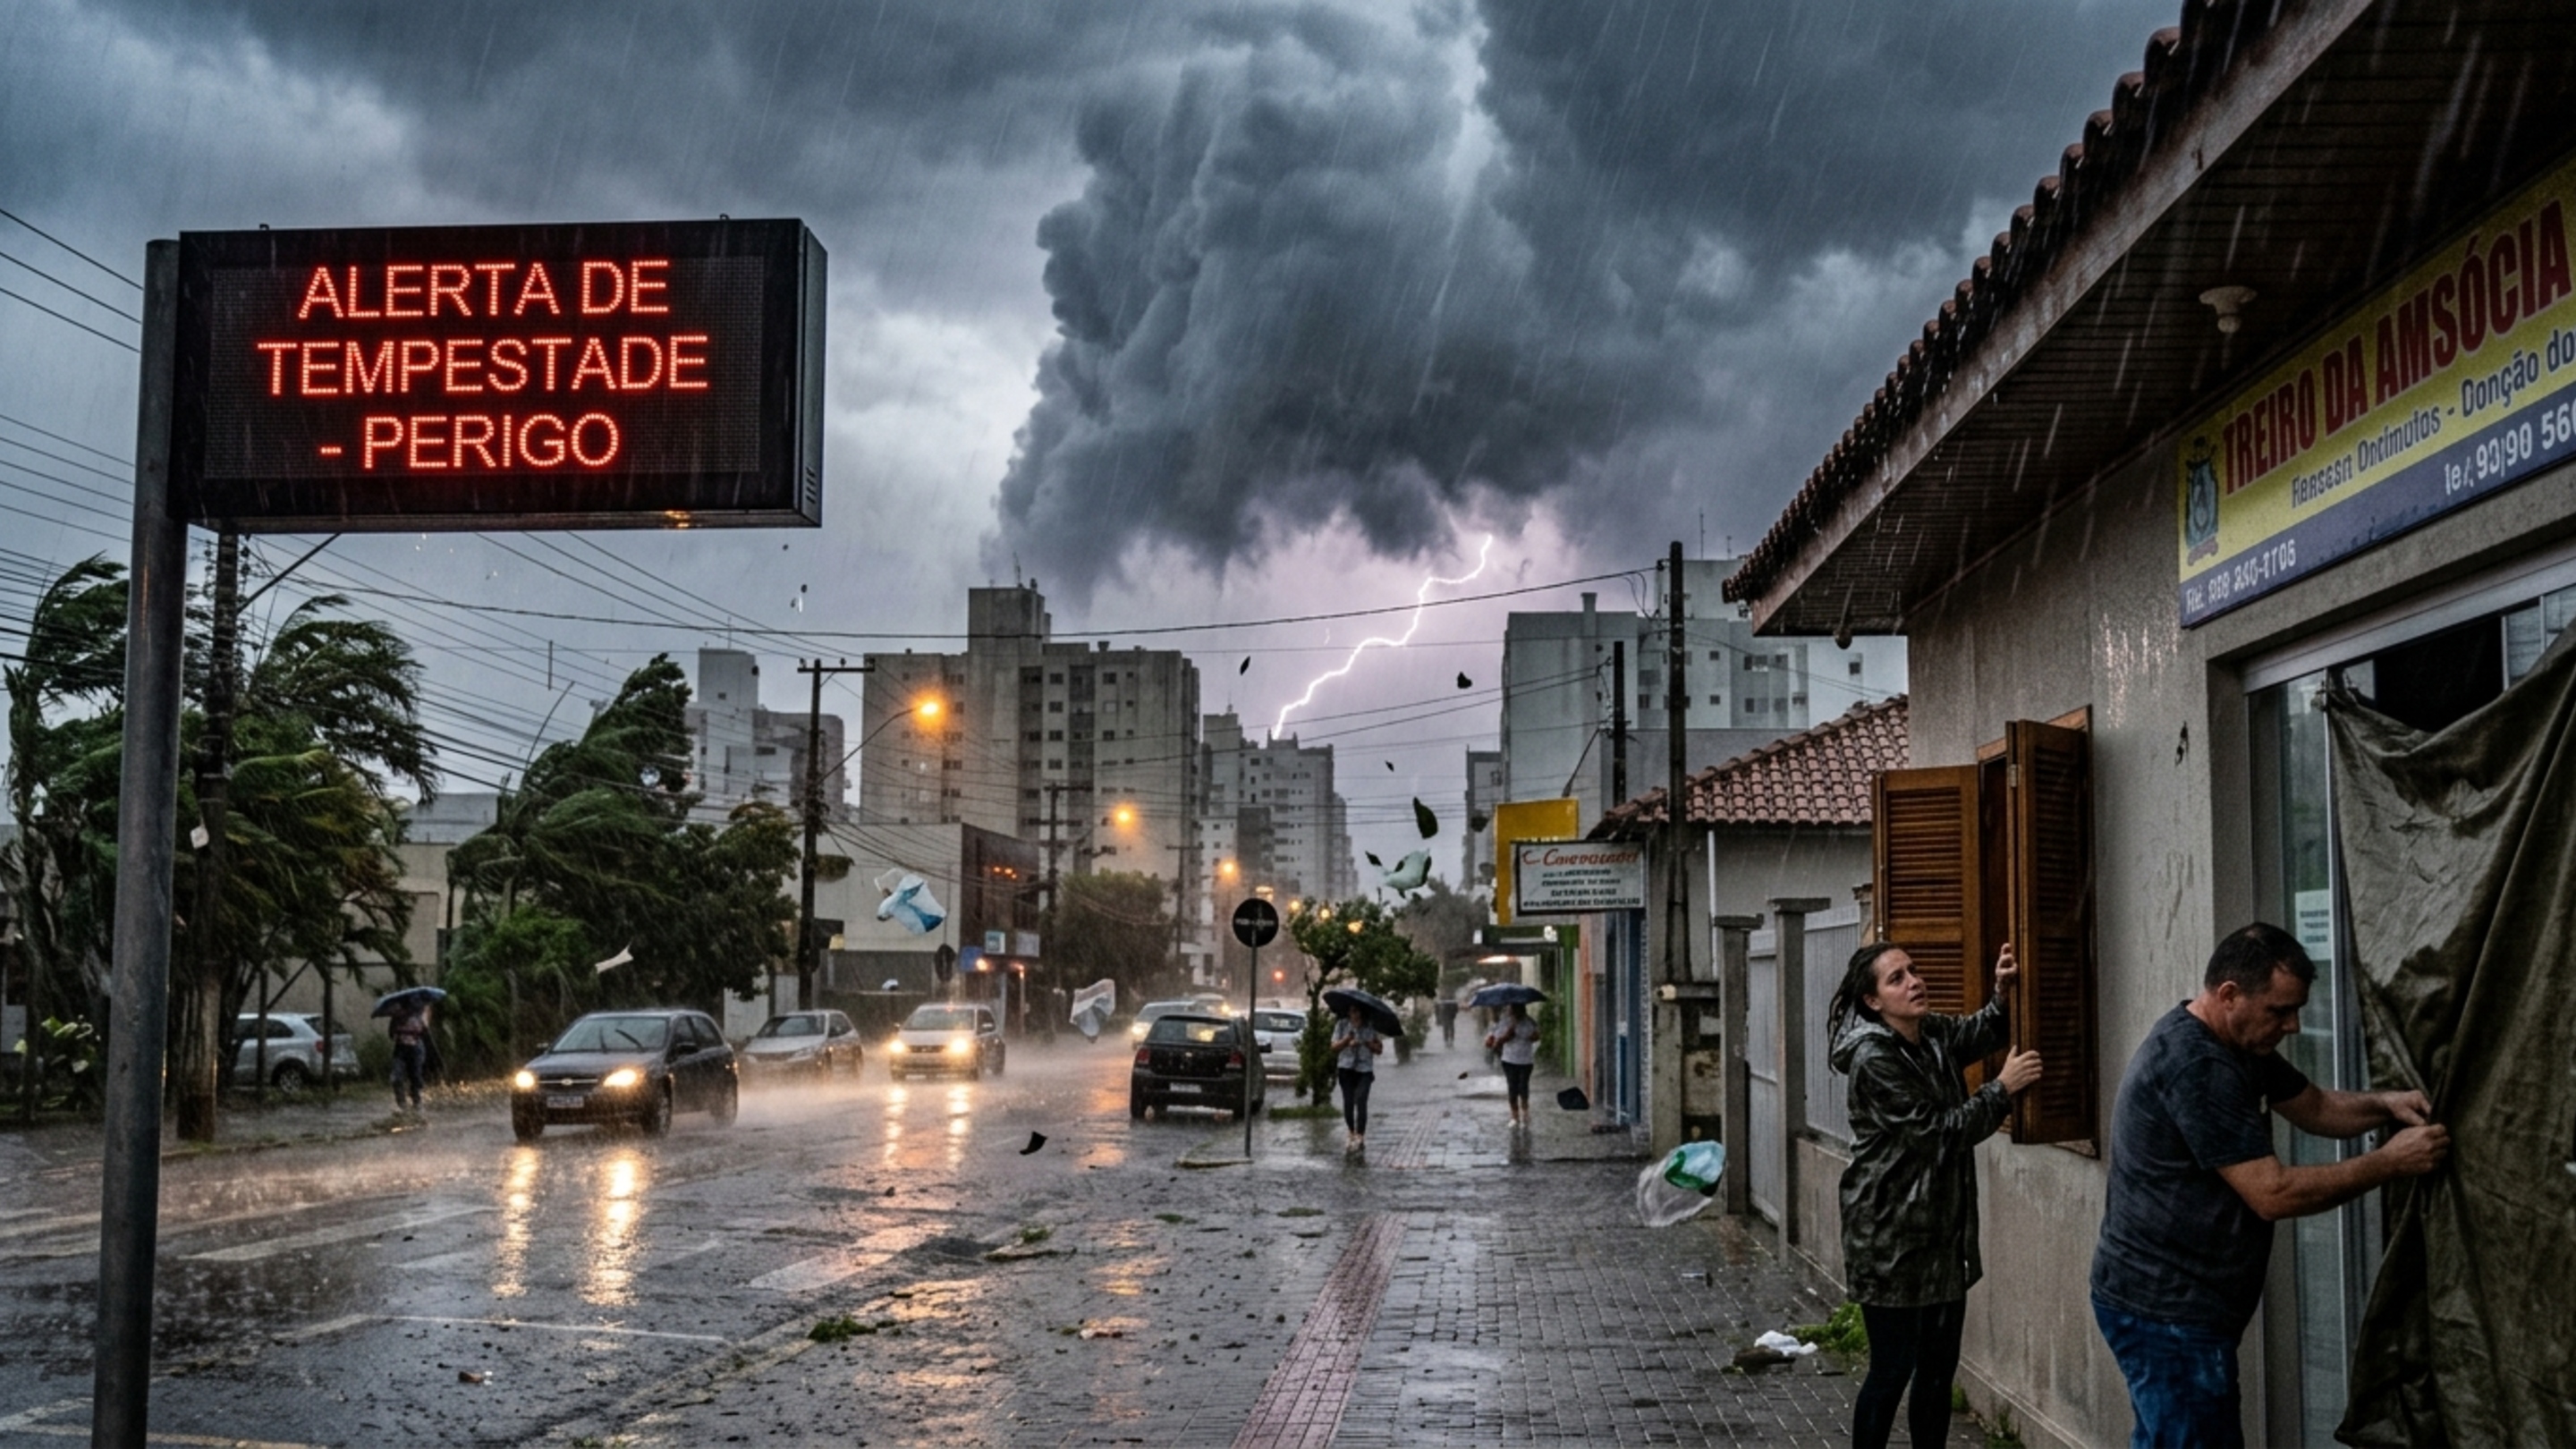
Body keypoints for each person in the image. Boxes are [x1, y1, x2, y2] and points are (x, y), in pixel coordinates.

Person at [2091, 923, 2447, 1449]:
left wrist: (2385, 1103)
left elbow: (2316, 1107)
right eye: (2280, 1011)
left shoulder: (2240, 1045)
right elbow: (2272, 1193)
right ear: (2229, 994)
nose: (2293, 1026)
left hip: (2177, 1309)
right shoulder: (2196, 1065)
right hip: (2168, 1315)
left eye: (2296, 1010)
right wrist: (2390, 1162)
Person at [1828, 939, 2041, 1449]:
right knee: (1892, 1370)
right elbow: (1938, 1133)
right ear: (1873, 1001)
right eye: (1897, 978)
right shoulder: (1874, 1060)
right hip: (1889, 1240)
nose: (1915, 982)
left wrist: (2003, 994)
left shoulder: (1931, 1035)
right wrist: (2001, 1089)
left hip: (1941, 1235)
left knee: (1938, 1371)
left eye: (1913, 970)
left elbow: (1980, 1030)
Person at [1329, 1003, 1383, 1151]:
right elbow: (1333, 1047)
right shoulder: (1342, 1025)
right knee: (1348, 1101)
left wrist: (1368, 1044)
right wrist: (1347, 1041)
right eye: (1353, 1011)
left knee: (1361, 1099)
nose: (1356, 1015)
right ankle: (1351, 1131)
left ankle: (1360, 1135)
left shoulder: (1369, 1027)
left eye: (1358, 1011)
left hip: (1365, 1069)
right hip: (1346, 1068)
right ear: (1349, 1012)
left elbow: (1379, 1049)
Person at [1485, 1004, 1541, 1126]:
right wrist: (1508, 1034)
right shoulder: (1504, 1022)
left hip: (1526, 1060)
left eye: (1514, 1009)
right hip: (1509, 1060)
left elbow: (1537, 1036)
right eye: (1511, 1009)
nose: (1511, 1011)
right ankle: (1514, 1115)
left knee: (1523, 1086)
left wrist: (1531, 1036)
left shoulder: (1529, 1022)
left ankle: (1525, 1112)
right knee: (1512, 1087)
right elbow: (1496, 1042)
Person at [387, 999, 430, 1116]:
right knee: (396, 1077)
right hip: (401, 1050)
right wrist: (398, 1028)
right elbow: (391, 1034)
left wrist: (424, 1023)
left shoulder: (419, 1015)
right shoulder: (396, 1017)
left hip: (416, 1049)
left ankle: (417, 1102)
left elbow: (425, 1032)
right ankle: (402, 1105)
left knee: (416, 1076)